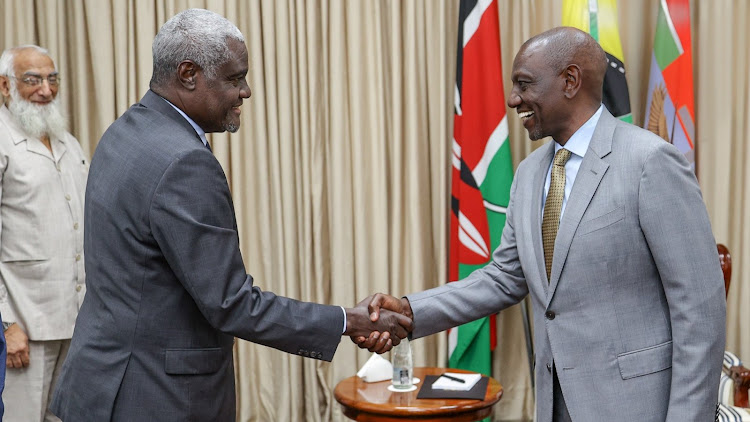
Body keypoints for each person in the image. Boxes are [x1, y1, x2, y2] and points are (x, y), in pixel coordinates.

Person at [49, 8, 409, 422]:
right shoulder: (184, 162)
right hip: (157, 397)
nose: (246, 92)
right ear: (188, 74)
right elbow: (232, 303)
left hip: (100, 385)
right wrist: (346, 321)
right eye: (235, 78)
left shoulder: (124, 131)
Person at [360, 27, 726, 422]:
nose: (513, 99)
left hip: (636, 407)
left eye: (524, 84)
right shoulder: (530, 173)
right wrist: (410, 311)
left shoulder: (649, 162)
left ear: (570, 81)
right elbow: (504, 278)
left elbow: (700, 312)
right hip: (554, 404)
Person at [0, 45, 88, 422]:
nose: (46, 90)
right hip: (24, 326)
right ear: (5, 86)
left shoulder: (68, 141)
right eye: (32, 80)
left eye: (52, 79)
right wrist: (6, 323)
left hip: (77, 319)